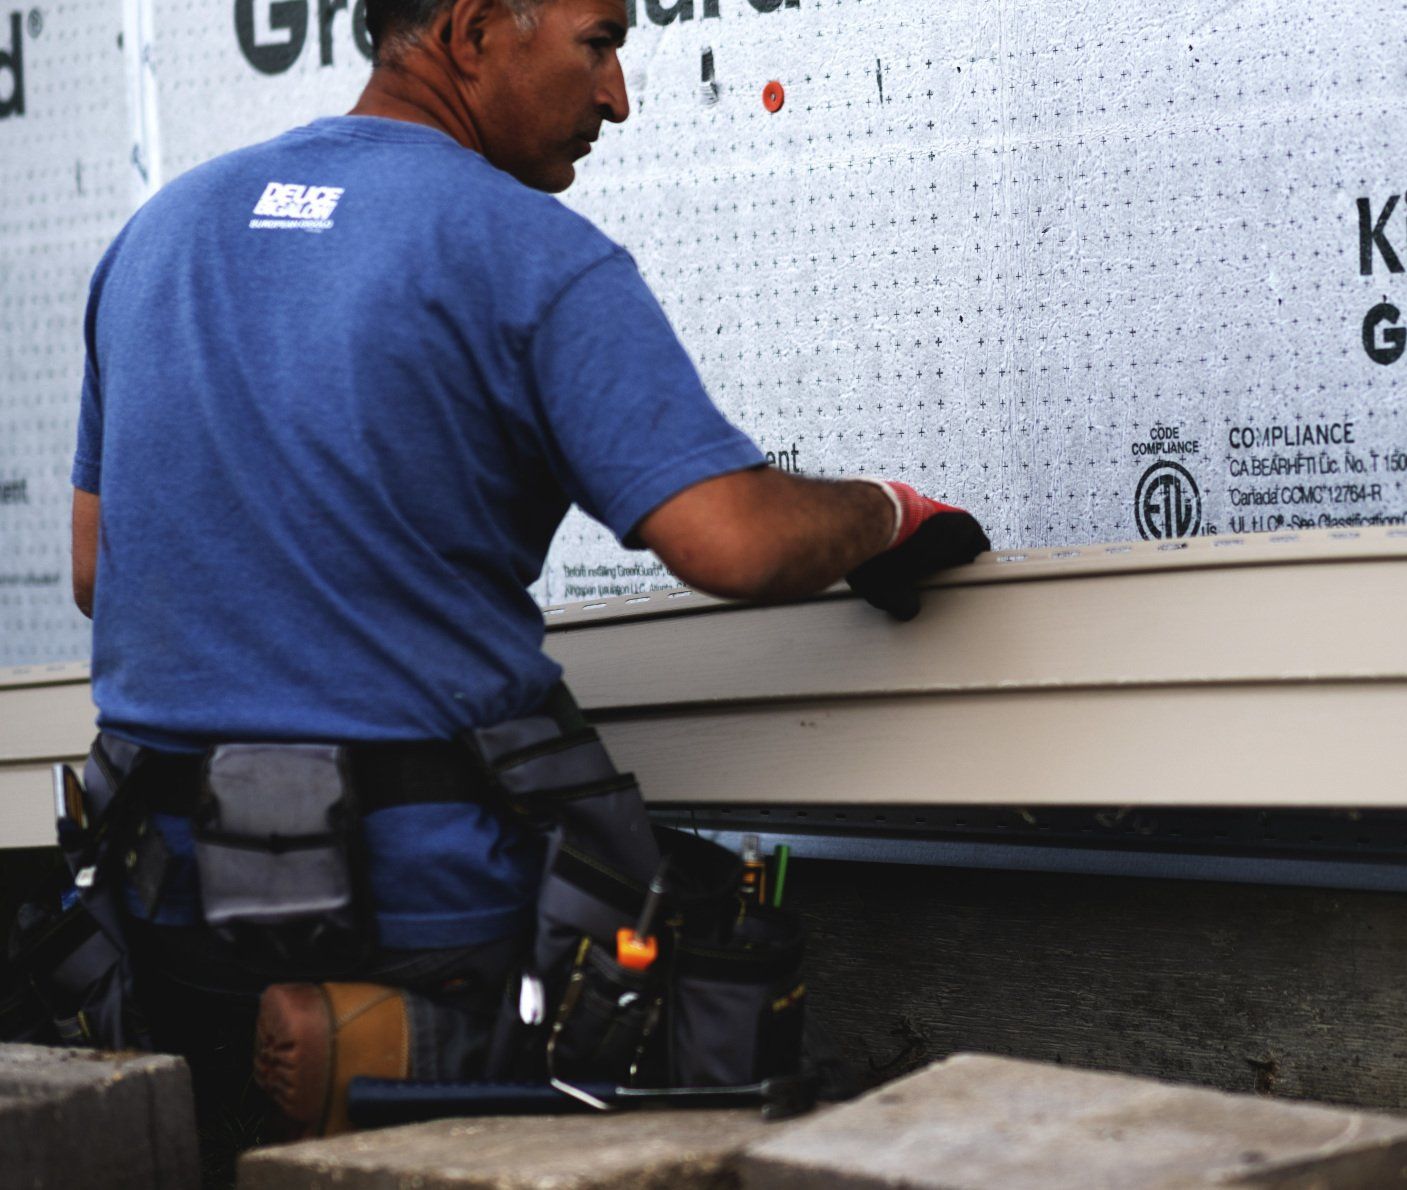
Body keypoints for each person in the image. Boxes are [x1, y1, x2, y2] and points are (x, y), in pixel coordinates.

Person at [66, 0, 987, 1175]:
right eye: (598, 43)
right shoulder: (525, 251)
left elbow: (102, 570)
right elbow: (733, 540)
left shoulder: (157, 237)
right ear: (468, 32)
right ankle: (403, 1052)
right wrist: (887, 513)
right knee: (726, 1008)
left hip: (164, 920)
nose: (617, 96)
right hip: (428, 917)